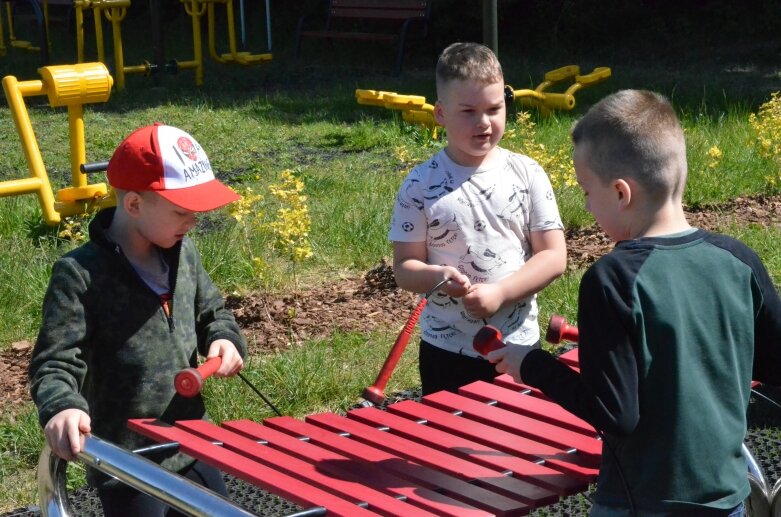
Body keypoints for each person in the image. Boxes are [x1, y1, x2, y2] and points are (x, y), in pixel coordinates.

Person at [489, 89, 781, 516]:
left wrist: (529, 364)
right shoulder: (738, 261)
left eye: (588, 192)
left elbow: (614, 415)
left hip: (639, 504)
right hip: (728, 499)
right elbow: (773, 364)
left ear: (622, 193)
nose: (588, 207)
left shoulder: (612, 279)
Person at [29, 123, 247, 517]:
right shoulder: (80, 274)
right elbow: (55, 361)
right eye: (182, 212)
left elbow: (213, 313)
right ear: (133, 205)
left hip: (192, 441)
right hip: (129, 459)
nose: (193, 222)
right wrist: (61, 406)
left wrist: (223, 338)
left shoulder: (183, 252)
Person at [389, 41, 567, 396]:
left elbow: (554, 256)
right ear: (440, 113)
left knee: (516, 441)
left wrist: (501, 292)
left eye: (494, 108)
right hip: (445, 349)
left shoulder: (527, 173)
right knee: (447, 444)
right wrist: (436, 276)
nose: (484, 122)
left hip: (516, 346)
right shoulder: (419, 185)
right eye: (468, 111)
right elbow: (404, 267)